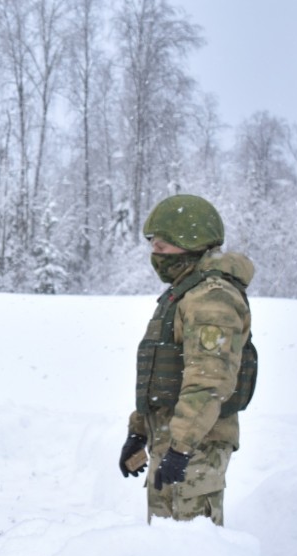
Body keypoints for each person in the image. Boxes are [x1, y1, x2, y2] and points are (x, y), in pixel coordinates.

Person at [118, 194, 257, 526]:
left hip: (197, 446)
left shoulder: (212, 299)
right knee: (165, 548)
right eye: (154, 246)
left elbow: (208, 383)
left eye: (163, 247)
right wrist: (138, 431)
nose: (156, 255)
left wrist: (181, 447)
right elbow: (162, 375)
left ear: (190, 245)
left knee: (194, 551)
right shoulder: (182, 295)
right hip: (172, 442)